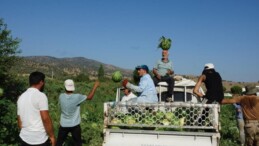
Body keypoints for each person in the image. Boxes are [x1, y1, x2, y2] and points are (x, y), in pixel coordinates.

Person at [56, 79, 100, 146]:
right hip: (75, 125)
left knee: (59, 143)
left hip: (64, 125)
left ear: (65, 87)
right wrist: (95, 86)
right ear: (73, 87)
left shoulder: (61, 96)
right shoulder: (77, 97)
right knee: (78, 143)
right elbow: (90, 97)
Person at [17, 71, 56, 146]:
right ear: (41, 82)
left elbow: (19, 120)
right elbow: (45, 118)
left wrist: (26, 132)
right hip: (39, 139)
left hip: (24, 137)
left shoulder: (21, 97)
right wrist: (52, 136)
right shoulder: (40, 95)